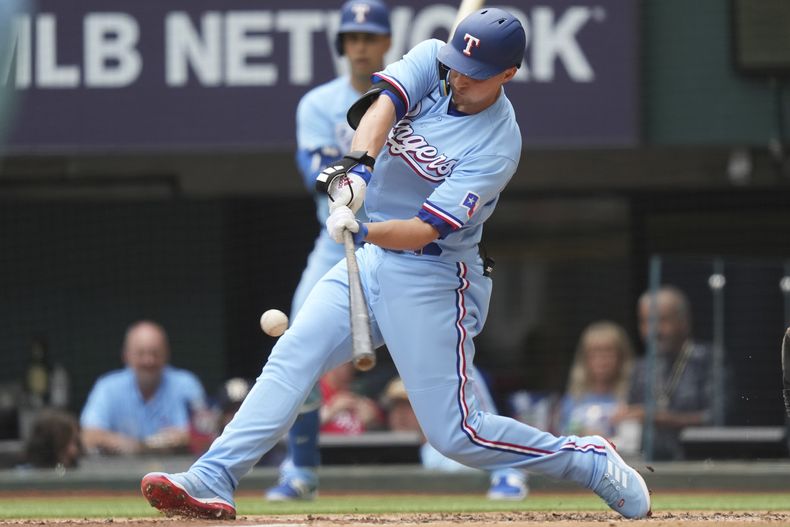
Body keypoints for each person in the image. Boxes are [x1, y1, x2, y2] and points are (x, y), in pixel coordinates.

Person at [140, 8, 651, 520]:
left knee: (458, 435)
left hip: (435, 277)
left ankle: (587, 460)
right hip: (371, 261)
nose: (458, 79)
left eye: (474, 75)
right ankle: (214, 475)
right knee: (293, 354)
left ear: (508, 75)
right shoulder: (434, 59)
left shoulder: (498, 145)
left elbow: (426, 230)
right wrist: (358, 169)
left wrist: (363, 227)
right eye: (456, 66)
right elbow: (383, 106)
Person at [264, 0, 393, 502]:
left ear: (385, 42)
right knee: (295, 348)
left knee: (444, 346)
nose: (360, 46)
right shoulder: (318, 104)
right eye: (352, 38)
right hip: (334, 239)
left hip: (393, 238)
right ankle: (301, 469)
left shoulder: (407, 95)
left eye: (369, 37)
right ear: (343, 45)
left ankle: (503, 471)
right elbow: (315, 172)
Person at [383, 374, 528, 501]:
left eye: (408, 406)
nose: (400, 415)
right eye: (396, 407)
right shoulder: (415, 451)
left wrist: (505, 472)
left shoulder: (444, 448)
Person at [613, 285, 713, 460]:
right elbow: (630, 418)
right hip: (650, 466)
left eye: (662, 320)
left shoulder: (706, 360)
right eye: (645, 322)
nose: (653, 330)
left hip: (697, 463)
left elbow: (716, 419)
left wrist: (657, 417)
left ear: (684, 322)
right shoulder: (641, 367)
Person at [80, 320, 207, 455]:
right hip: (121, 471)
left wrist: (183, 437)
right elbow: (88, 435)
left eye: (155, 353)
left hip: (174, 471)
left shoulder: (186, 384)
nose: (148, 360)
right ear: (126, 355)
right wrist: (135, 446)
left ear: (166, 354)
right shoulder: (107, 387)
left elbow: (205, 435)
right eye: (141, 354)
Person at [556, 322, 635, 439]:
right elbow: (562, 438)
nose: (601, 360)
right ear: (584, 359)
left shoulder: (631, 396)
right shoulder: (573, 399)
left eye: (608, 352)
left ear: (621, 357)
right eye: (594, 353)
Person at [319, 363, 384, 435]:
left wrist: (371, 423)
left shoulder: (359, 391)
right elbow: (306, 425)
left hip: (356, 444)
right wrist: (331, 411)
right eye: (344, 363)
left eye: (351, 363)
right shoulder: (316, 391)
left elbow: (386, 432)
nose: (349, 368)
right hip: (325, 445)